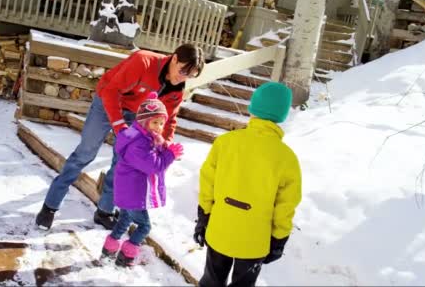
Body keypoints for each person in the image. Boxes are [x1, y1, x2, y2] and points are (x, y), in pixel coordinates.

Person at [35, 44, 204, 231]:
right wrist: (118, 126)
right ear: (174, 58)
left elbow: (169, 118)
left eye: (190, 75)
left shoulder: (176, 90)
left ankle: (104, 211)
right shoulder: (143, 61)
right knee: (85, 153)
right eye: (183, 71)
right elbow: (110, 91)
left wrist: (165, 143)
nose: (184, 77)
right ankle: (50, 207)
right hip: (106, 103)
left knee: (122, 163)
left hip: (135, 116)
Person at [193, 82, 302, 286]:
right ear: (282, 115)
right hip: (254, 240)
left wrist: (203, 215)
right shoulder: (287, 158)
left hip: (220, 230)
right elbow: (286, 204)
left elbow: (207, 182)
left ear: (253, 108)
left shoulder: (225, 142)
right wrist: (279, 239)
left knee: (211, 281)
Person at [101, 92, 184, 267]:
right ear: (143, 122)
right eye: (155, 122)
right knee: (144, 227)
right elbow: (153, 166)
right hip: (133, 194)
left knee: (124, 220)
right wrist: (170, 155)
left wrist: (165, 148)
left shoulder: (144, 137)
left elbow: (153, 158)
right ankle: (126, 256)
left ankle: (109, 249)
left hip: (129, 191)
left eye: (162, 123)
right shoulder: (138, 143)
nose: (159, 127)